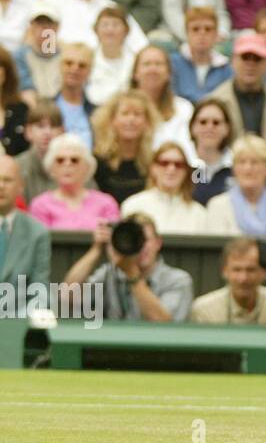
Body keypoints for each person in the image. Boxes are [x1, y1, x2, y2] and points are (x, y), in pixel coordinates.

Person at [61, 212, 193, 323]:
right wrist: (96, 250)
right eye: (135, 241)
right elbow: (67, 296)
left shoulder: (178, 280)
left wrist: (132, 275)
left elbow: (164, 324)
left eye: (144, 240)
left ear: (158, 243)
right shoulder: (110, 273)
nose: (140, 248)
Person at [210, 32, 266, 152]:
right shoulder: (213, 104)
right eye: (245, 57)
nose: (250, 64)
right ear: (233, 60)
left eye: (257, 59)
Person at [206, 133, 266, 239]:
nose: (248, 169)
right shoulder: (219, 206)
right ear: (234, 169)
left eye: (255, 162)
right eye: (242, 162)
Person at [191, 237, 266, 324]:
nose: (243, 278)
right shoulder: (205, 309)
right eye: (237, 270)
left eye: (251, 270)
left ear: (264, 272)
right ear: (224, 271)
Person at [119, 141, 208, 235]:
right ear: (153, 168)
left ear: (186, 171)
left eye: (178, 165)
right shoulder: (133, 206)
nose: (171, 169)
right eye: (164, 163)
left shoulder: (199, 214)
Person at [0, 151, 50, 285]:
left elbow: (40, 286)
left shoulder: (37, 232)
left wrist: (40, 306)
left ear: (21, 186)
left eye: (7, 180)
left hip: (20, 305)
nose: (1, 186)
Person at [15, 101, 64, 203]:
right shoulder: (16, 166)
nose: (47, 132)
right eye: (40, 126)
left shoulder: (75, 162)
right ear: (28, 132)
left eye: (53, 126)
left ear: (62, 131)